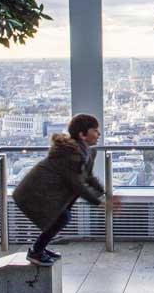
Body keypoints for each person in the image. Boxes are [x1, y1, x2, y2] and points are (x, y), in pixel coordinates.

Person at [13, 114, 121, 266]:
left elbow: (88, 177)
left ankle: (39, 248)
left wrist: (104, 193)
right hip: (35, 193)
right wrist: (100, 202)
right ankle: (36, 251)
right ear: (82, 135)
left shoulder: (87, 152)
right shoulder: (70, 154)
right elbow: (76, 184)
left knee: (62, 216)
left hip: (47, 193)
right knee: (63, 217)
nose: (99, 134)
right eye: (95, 130)